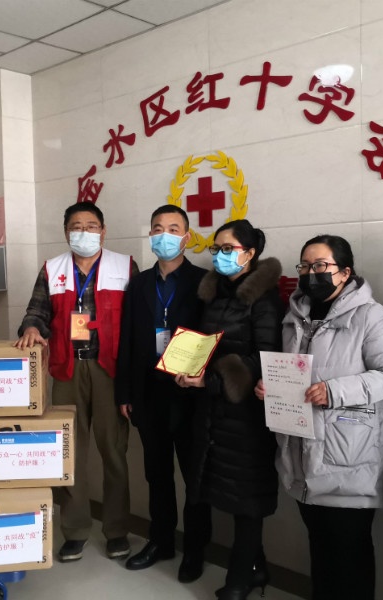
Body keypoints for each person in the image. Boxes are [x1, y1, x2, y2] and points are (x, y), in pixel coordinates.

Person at [256, 234, 383, 600]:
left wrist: (336, 391)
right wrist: (271, 386)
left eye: (321, 265)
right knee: (320, 548)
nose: (311, 273)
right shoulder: (295, 316)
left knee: (350, 553)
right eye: (305, 266)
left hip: (349, 455)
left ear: (345, 272)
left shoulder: (371, 316)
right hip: (303, 453)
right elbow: (293, 373)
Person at [15, 201, 138, 563]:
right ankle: (75, 530)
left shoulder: (125, 266)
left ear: (103, 230)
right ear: (66, 232)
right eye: (76, 226)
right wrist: (32, 327)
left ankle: (117, 530)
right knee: (68, 454)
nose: (84, 232)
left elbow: (138, 320)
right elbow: (37, 311)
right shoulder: (52, 269)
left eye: (91, 225)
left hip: (109, 370)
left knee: (114, 452)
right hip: (67, 369)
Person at [176, 219, 282, 600]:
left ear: (250, 253)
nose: (219, 255)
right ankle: (256, 567)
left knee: (247, 500)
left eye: (228, 248)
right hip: (212, 414)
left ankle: (239, 581)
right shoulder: (214, 294)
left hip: (248, 416)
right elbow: (206, 345)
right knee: (222, 490)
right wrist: (187, 369)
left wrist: (212, 382)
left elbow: (265, 358)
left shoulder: (264, 299)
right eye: (216, 248)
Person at [115, 204, 212, 582]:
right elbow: (127, 340)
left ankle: (196, 550)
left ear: (186, 237)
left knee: (194, 478)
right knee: (157, 475)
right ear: (150, 235)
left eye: (173, 228)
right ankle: (161, 541)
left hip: (188, 394)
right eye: (158, 228)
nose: (164, 235)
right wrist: (125, 392)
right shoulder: (139, 283)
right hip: (148, 394)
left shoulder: (204, 281)